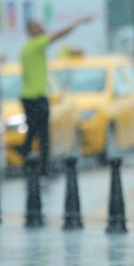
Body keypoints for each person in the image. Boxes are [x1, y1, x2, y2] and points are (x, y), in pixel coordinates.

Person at [18, 16, 92, 176]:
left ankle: (27, 163)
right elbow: (57, 36)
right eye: (37, 26)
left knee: (32, 132)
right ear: (30, 31)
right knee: (43, 134)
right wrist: (76, 23)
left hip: (28, 96)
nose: (41, 28)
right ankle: (43, 167)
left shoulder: (27, 48)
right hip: (37, 96)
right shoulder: (36, 43)